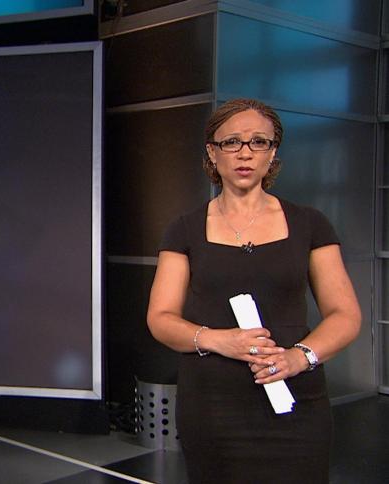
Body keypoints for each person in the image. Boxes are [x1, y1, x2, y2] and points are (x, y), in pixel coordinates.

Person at [146, 98, 361, 483]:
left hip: (295, 402)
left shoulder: (310, 224)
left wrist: (299, 358)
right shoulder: (184, 229)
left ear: (272, 152)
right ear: (212, 152)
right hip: (212, 408)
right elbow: (160, 319)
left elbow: (345, 316)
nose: (245, 153)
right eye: (231, 142)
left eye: (258, 142)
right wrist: (220, 340)